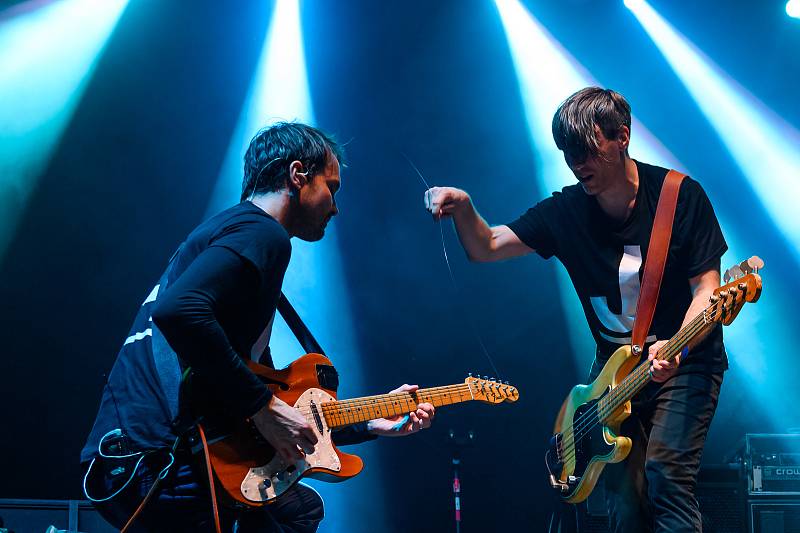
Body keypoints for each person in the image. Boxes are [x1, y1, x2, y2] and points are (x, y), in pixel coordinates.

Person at [81, 122, 435, 532]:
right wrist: (263, 408)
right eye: (331, 187)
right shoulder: (262, 233)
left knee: (299, 510)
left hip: (132, 457)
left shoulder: (230, 236)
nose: (335, 206)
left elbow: (279, 399)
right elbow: (178, 312)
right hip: (165, 458)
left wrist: (371, 421)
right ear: (298, 175)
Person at [424, 87, 727, 532]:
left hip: (685, 360)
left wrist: (676, 347)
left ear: (621, 136)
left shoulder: (679, 197)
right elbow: (485, 246)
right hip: (614, 372)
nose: (577, 162)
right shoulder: (565, 211)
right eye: (568, 152)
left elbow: (708, 290)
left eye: (588, 149)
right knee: (625, 503)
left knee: (666, 477)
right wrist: (465, 207)